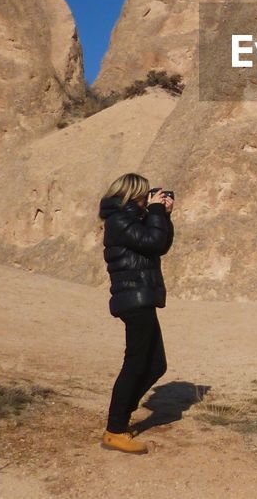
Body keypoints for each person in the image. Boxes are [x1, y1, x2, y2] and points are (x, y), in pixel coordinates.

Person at [98, 172, 174, 453]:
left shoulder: (131, 219)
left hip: (141, 297)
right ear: (133, 194)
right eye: (145, 195)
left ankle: (121, 416)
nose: (147, 200)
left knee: (156, 365)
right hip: (134, 299)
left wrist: (163, 215)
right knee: (135, 363)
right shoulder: (119, 221)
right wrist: (155, 211)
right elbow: (153, 242)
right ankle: (115, 430)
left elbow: (160, 244)